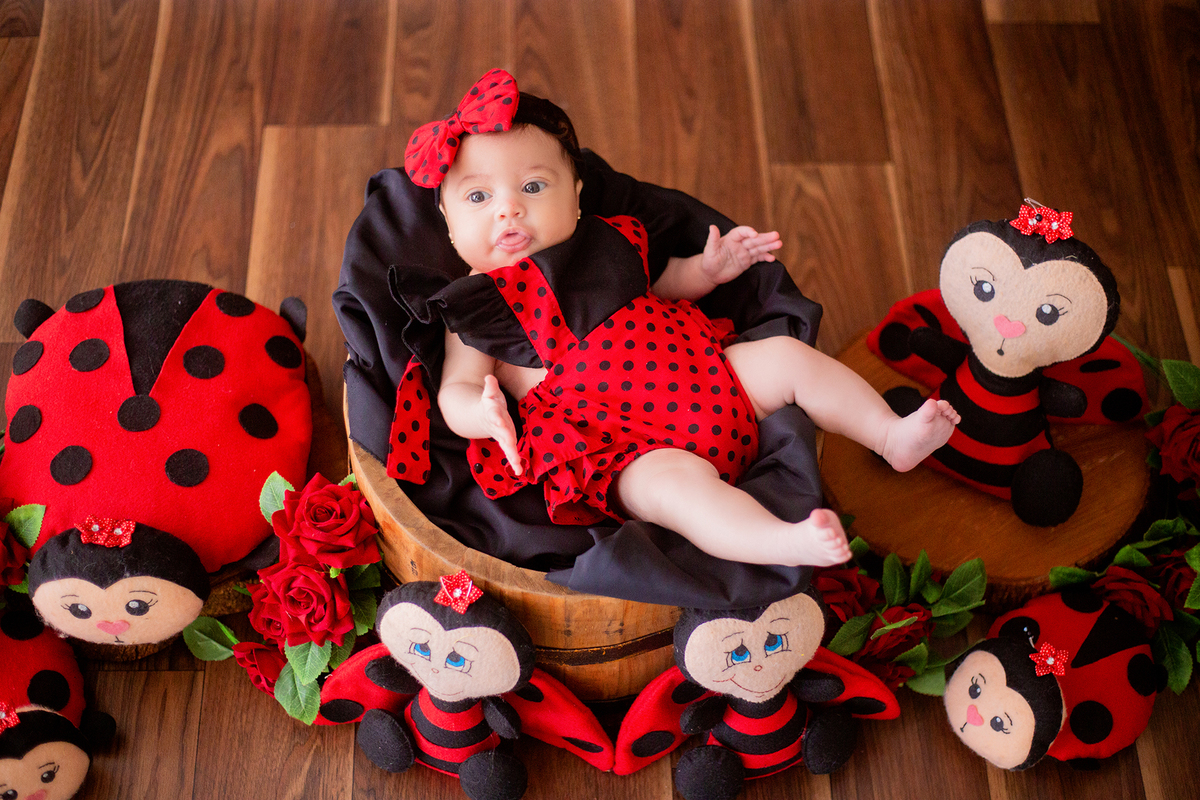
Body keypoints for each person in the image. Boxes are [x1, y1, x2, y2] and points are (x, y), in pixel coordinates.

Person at [408, 69, 959, 568]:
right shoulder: (479, 305)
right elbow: (453, 390)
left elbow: (663, 282)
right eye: (478, 197)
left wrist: (709, 268)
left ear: (576, 197)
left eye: (532, 186)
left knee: (787, 359)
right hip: (623, 445)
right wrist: (485, 416)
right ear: (450, 227)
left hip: (707, 374)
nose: (509, 208)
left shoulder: (606, 239)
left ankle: (890, 435)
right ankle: (780, 541)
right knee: (678, 493)